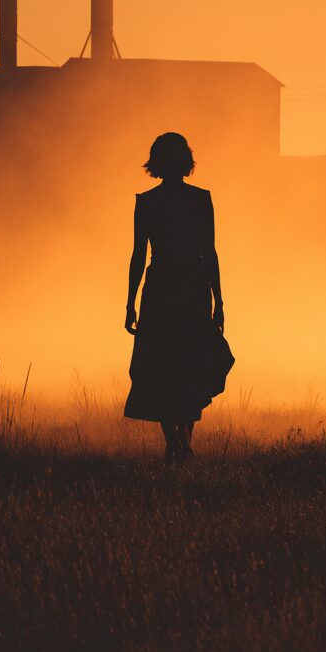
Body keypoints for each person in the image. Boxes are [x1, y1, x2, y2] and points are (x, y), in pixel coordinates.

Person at [124, 132, 234, 462]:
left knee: (164, 365)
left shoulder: (148, 202)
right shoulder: (199, 200)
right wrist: (218, 300)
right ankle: (182, 440)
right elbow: (209, 253)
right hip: (189, 288)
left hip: (163, 288)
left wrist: (130, 302)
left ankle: (175, 440)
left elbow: (138, 256)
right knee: (189, 364)